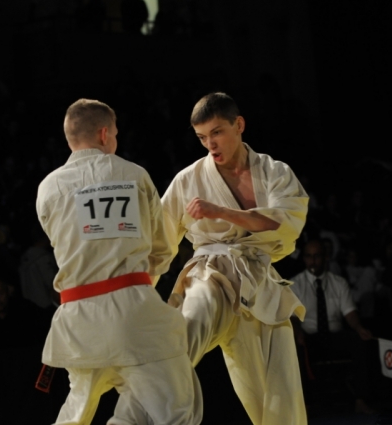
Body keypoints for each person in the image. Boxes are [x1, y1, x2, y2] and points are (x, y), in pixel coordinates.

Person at [36, 99, 202, 425]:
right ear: (103, 134)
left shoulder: (48, 187)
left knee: (76, 413)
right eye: (114, 133)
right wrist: (135, 284)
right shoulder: (133, 174)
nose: (115, 139)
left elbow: (61, 243)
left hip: (79, 320)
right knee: (176, 411)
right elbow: (161, 249)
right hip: (134, 314)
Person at [161, 92, 309, 425]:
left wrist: (220, 211)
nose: (210, 144)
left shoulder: (274, 172)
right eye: (202, 137)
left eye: (217, 132)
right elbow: (159, 242)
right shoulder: (188, 179)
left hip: (259, 282)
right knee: (178, 343)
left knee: (281, 394)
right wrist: (135, 291)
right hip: (210, 273)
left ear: (239, 125)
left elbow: (284, 223)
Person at [289, 240, 376, 414]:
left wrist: (359, 328)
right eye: (308, 256)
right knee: (295, 347)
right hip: (309, 336)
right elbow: (292, 316)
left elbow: (350, 313)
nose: (313, 261)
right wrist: (297, 332)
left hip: (334, 335)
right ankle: (303, 404)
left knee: (359, 340)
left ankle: (360, 399)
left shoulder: (339, 283)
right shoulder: (295, 284)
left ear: (325, 257)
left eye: (317, 256)